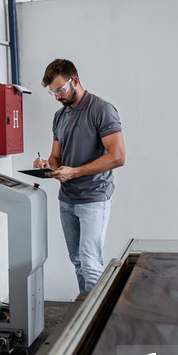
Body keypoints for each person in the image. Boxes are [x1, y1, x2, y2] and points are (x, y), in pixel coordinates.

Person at [34, 59, 125, 293]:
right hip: (67, 199)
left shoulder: (101, 110)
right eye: (52, 92)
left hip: (94, 198)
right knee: (78, 261)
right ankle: (84, 313)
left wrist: (74, 171)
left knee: (91, 263)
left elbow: (118, 156)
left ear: (74, 81)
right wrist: (47, 164)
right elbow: (56, 157)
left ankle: (94, 325)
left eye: (60, 90)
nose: (56, 96)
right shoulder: (60, 116)